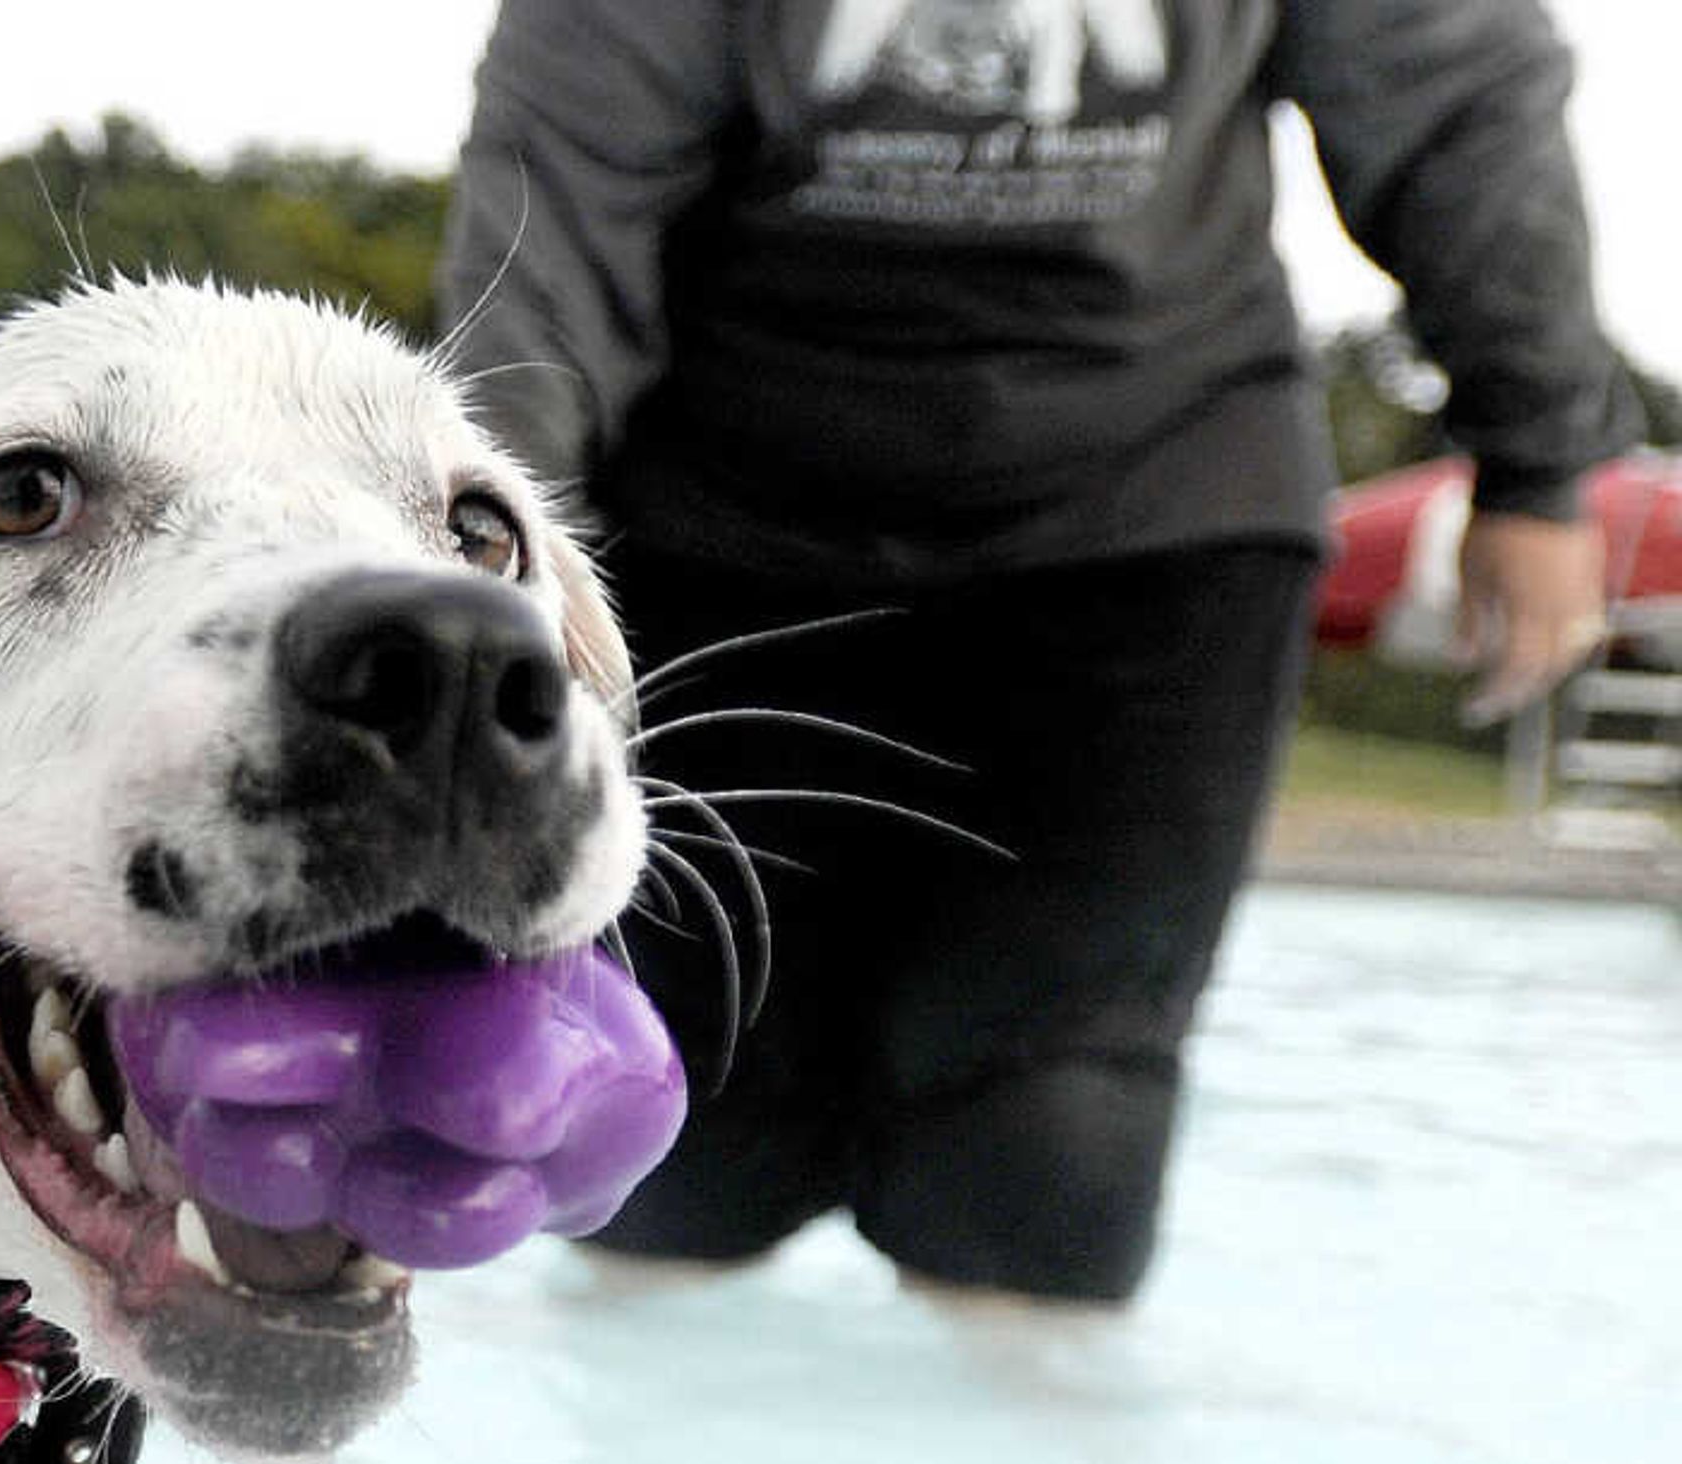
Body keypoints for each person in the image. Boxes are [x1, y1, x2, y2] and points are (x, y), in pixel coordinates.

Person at [441, 0, 1643, 1303]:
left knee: (1048, 1138)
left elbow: (1454, 99)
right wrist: (501, 557)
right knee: (664, 1145)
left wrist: (1539, 460)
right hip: (721, 530)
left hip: (1156, 513)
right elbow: (554, 197)